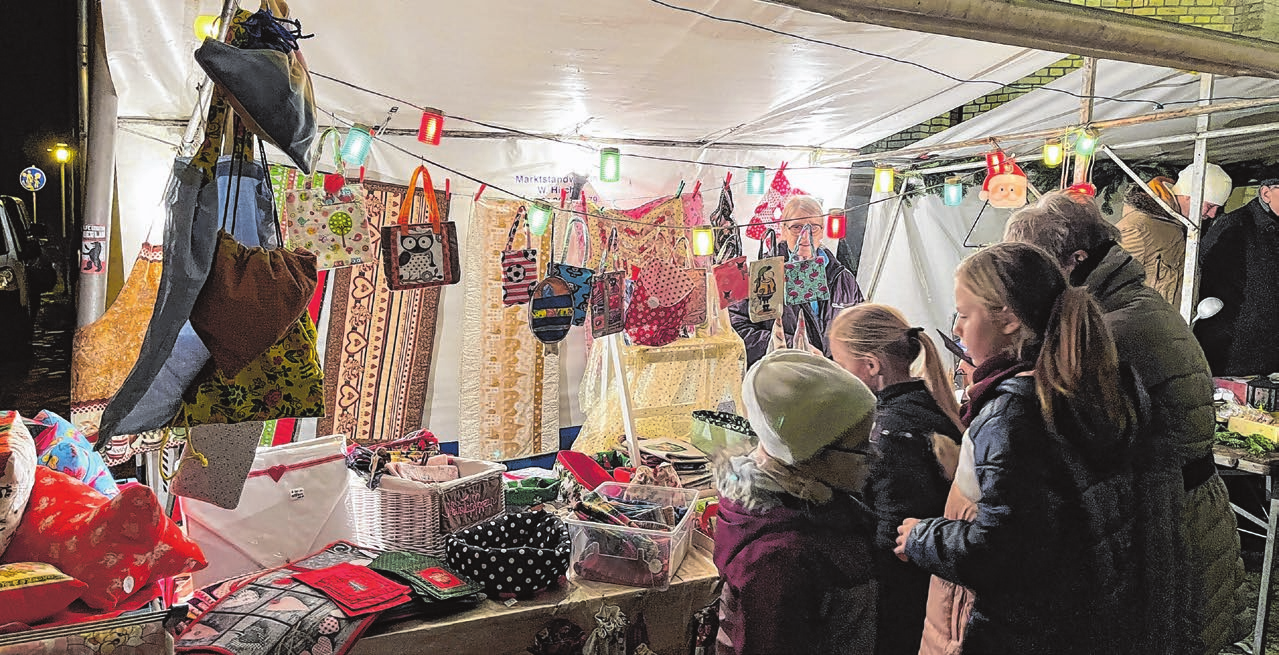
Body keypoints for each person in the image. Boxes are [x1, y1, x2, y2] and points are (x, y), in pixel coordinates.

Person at [1005, 190, 1248, 654]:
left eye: (1038, 269)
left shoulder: (1113, 328)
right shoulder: (1128, 305)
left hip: (1165, 525)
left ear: (1074, 260)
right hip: (1181, 510)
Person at [895, 242, 1149, 655]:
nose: (957, 329)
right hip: (1084, 613)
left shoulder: (1012, 411)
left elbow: (1001, 551)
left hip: (1019, 628)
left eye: (963, 313)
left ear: (1008, 318)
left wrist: (923, 536)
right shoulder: (1096, 382)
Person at [714, 349, 878, 654]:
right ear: (808, 456)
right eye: (859, 446)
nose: (874, 455)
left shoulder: (823, 499)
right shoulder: (779, 560)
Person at [828, 304, 963, 655]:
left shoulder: (889, 435)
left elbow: (894, 537)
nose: (837, 374)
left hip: (903, 602)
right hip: (929, 586)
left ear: (871, 366)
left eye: (841, 365)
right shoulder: (931, 404)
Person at [729, 195, 864, 367]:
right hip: (782, 374)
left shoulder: (842, 278)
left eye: (813, 228)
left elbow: (862, 327)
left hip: (832, 376)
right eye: (796, 227)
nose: (804, 236)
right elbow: (736, 330)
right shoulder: (760, 275)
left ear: (822, 231)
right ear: (783, 230)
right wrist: (790, 347)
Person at [1116, 162, 1233, 305]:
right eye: (1210, 206)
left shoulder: (1180, 227)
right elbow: (1110, 289)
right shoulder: (1138, 228)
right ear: (1189, 195)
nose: (1213, 214)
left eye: (1217, 208)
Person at [1195, 178, 1279, 377]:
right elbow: (1212, 287)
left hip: (1268, 346)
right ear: (1266, 194)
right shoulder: (1233, 227)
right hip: (1237, 349)